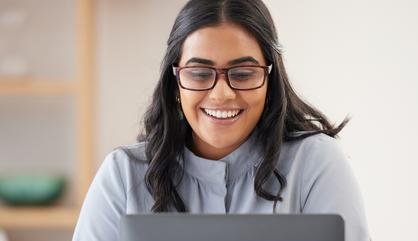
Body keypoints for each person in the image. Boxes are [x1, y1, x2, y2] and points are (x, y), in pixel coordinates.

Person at [72, 0, 369, 241]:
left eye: (242, 74)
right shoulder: (123, 175)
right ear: (174, 83)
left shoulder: (316, 164)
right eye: (200, 74)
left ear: (270, 80)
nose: (222, 94)